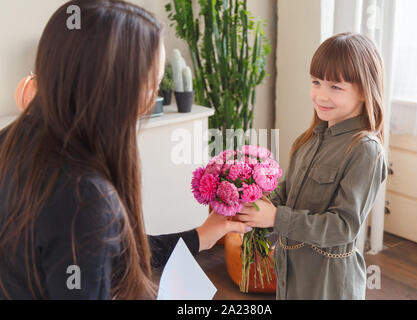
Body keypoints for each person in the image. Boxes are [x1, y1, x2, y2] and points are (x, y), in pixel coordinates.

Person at [0, 0, 247, 300]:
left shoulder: (13, 141)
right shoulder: (83, 198)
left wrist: (199, 238)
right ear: (115, 88)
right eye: (152, 84)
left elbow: (111, 252)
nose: (155, 95)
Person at [235, 32, 388, 299]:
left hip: (328, 282)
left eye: (335, 87)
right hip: (291, 271)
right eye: (316, 82)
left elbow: (343, 226)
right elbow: (288, 193)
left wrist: (275, 218)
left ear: (364, 91)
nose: (321, 95)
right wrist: (253, 200)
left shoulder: (365, 150)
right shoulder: (306, 141)